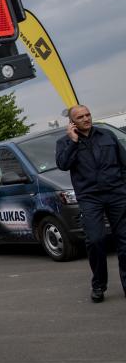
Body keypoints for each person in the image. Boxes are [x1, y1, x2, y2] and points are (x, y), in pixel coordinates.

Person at [56, 104, 126, 302]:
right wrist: (73, 142)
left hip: (116, 194)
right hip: (90, 198)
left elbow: (123, 164)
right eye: (81, 117)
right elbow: (63, 164)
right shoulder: (65, 142)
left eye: (88, 115)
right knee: (95, 240)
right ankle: (99, 285)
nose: (86, 119)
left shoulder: (107, 136)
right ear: (72, 122)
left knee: (124, 241)